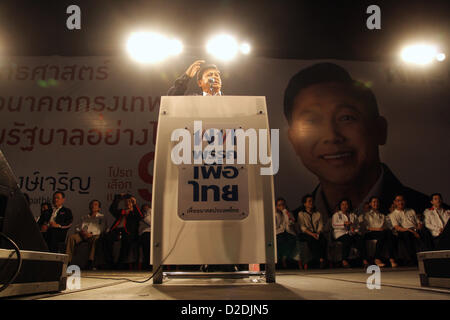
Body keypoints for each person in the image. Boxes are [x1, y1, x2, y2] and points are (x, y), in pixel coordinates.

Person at [283, 62, 430, 223]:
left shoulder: (425, 214)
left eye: (346, 118)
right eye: (312, 121)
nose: (331, 136)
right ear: (293, 141)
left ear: (379, 130)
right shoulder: (291, 226)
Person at [389, 194, 433, 265]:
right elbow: (397, 227)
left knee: (426, 231)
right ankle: (414, 259)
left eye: (402, 200)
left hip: (414, 229)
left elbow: (418, 222)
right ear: (395, 202)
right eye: (398, 201)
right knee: (407, 235)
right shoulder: (393, 214)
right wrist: (411, 231)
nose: (401, 202)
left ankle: (430, 255)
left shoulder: (411, 210)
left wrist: (418, 228)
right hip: (404, 231)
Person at [103, 193, 143, 270]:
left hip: (128, 233)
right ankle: (110, 262)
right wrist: (118, 198)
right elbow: (112, 209)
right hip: (117, 231)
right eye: (126, 202)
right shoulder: (122, 211)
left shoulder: (134, 213)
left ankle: (119, 265)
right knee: (105, 239)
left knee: (126, 242)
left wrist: (134, 205)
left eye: (129, 201)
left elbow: (140, 217)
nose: (127, 203)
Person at [66, 199, 106, 269]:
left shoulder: (102, 217)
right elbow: (77, 227)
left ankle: (91, 261)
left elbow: (102, 229)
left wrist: (91, 234)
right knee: (71, 237)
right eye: (92, 204)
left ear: (99, 208)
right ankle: (67, 261)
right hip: (82, 234)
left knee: (97, 239)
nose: (93, 206)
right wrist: (82, 232)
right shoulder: (84, 217)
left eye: (95, 204)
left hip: (93, 235)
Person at [362, 196, 398, 268]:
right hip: (369, 233)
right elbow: (366, 227)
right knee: (384, 234)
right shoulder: (366, 215)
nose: (376, 203)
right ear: (370, 204)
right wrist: (378, 229)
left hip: (381, 233)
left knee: (388, 233)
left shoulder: (382, 215)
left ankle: (390, 258)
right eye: (374, 202)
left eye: (377, 202)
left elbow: (386, 226)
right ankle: (379, 258)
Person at [331, 199, 366, 268]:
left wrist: (354, 230)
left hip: (351, 233)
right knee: (347, 238)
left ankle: (364, 260)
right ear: (340, 206)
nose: (345, 206)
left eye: (346, 204)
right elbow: (334, 225)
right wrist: (344, 224)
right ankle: (344, 260)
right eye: (343, 204)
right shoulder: (337, 215)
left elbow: (357, 226)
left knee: (360, 239)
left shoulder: (353, 215)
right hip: (340, 233)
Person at [296, 194, 328, 269]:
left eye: (312, 201)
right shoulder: (301, 214)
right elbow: (302, 227)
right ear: (305, 204)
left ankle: (323, 259)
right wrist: (312, 234)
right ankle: (319, 259)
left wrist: (318, 233)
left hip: (316, 232)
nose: (311, 203)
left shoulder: (318, 214)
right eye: (309, 201)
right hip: (305, 233)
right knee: (311, 239)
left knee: (323, 239)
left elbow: (321, 225)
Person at [275, 197, 298, 269]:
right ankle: (281, 260)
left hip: (289, 232)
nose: (281, 206)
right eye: (279, 205)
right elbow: (276, 226)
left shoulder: (289, 213)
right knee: (281, 239)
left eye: (283, 204)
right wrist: (278, 214)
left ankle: (284, 259)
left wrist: (285, 213)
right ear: (276, 206)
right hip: (279, 232)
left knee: (291, 239)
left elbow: (290, 223)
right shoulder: (275, 214)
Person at [138, 204, 152, 270]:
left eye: (146, 207)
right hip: (145, 234)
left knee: (147, 251)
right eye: (143, 208)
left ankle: (148, 266)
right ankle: (146, 265)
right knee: (146, 251)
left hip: (149, 233)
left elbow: (151, 222)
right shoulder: (143, 214)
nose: (145, 209)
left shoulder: (150, 212)